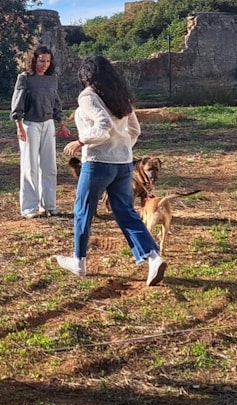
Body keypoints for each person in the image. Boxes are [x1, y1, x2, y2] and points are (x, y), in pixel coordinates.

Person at [56, 55, 166, 287]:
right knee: (126, 212)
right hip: (123, 164)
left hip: (97, 163)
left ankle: (79, 261)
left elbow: (103, 126)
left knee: (83, 210)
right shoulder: (119, 95)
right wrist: (122, 148)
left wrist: (81, 141)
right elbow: (135, 129)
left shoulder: (88, 96)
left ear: (86, 76)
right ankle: (153, 257)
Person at [10, 46, 69, 219]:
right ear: (34, 60)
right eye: (42, 60)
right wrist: (19, 126)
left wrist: (61, 122)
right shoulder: (25, 78)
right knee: (30, 167)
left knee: (49, 166)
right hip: (30, 124)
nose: (45, 64)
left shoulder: (52, 79)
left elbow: (56, 102)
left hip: (48, 123)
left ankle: (49, 205)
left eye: (48, 61)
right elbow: (17, 102)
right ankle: (29, 208)